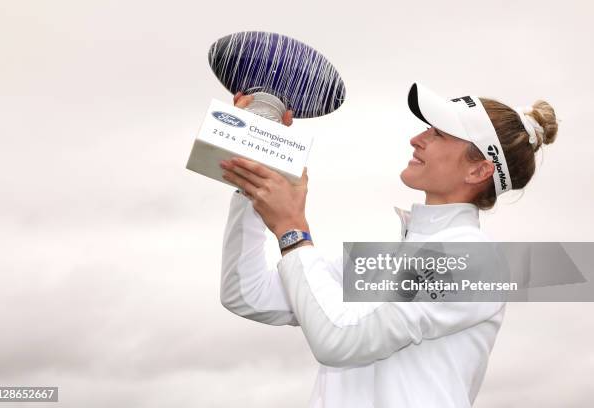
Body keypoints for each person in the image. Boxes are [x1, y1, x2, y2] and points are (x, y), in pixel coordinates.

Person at [218, 83, 559, 407]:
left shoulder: (474, 259)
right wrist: (253, 178)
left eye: (437, 133)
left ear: (479, 170)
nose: (417, 139)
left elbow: (339, 340)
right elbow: (247, 295)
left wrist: (292, 230)